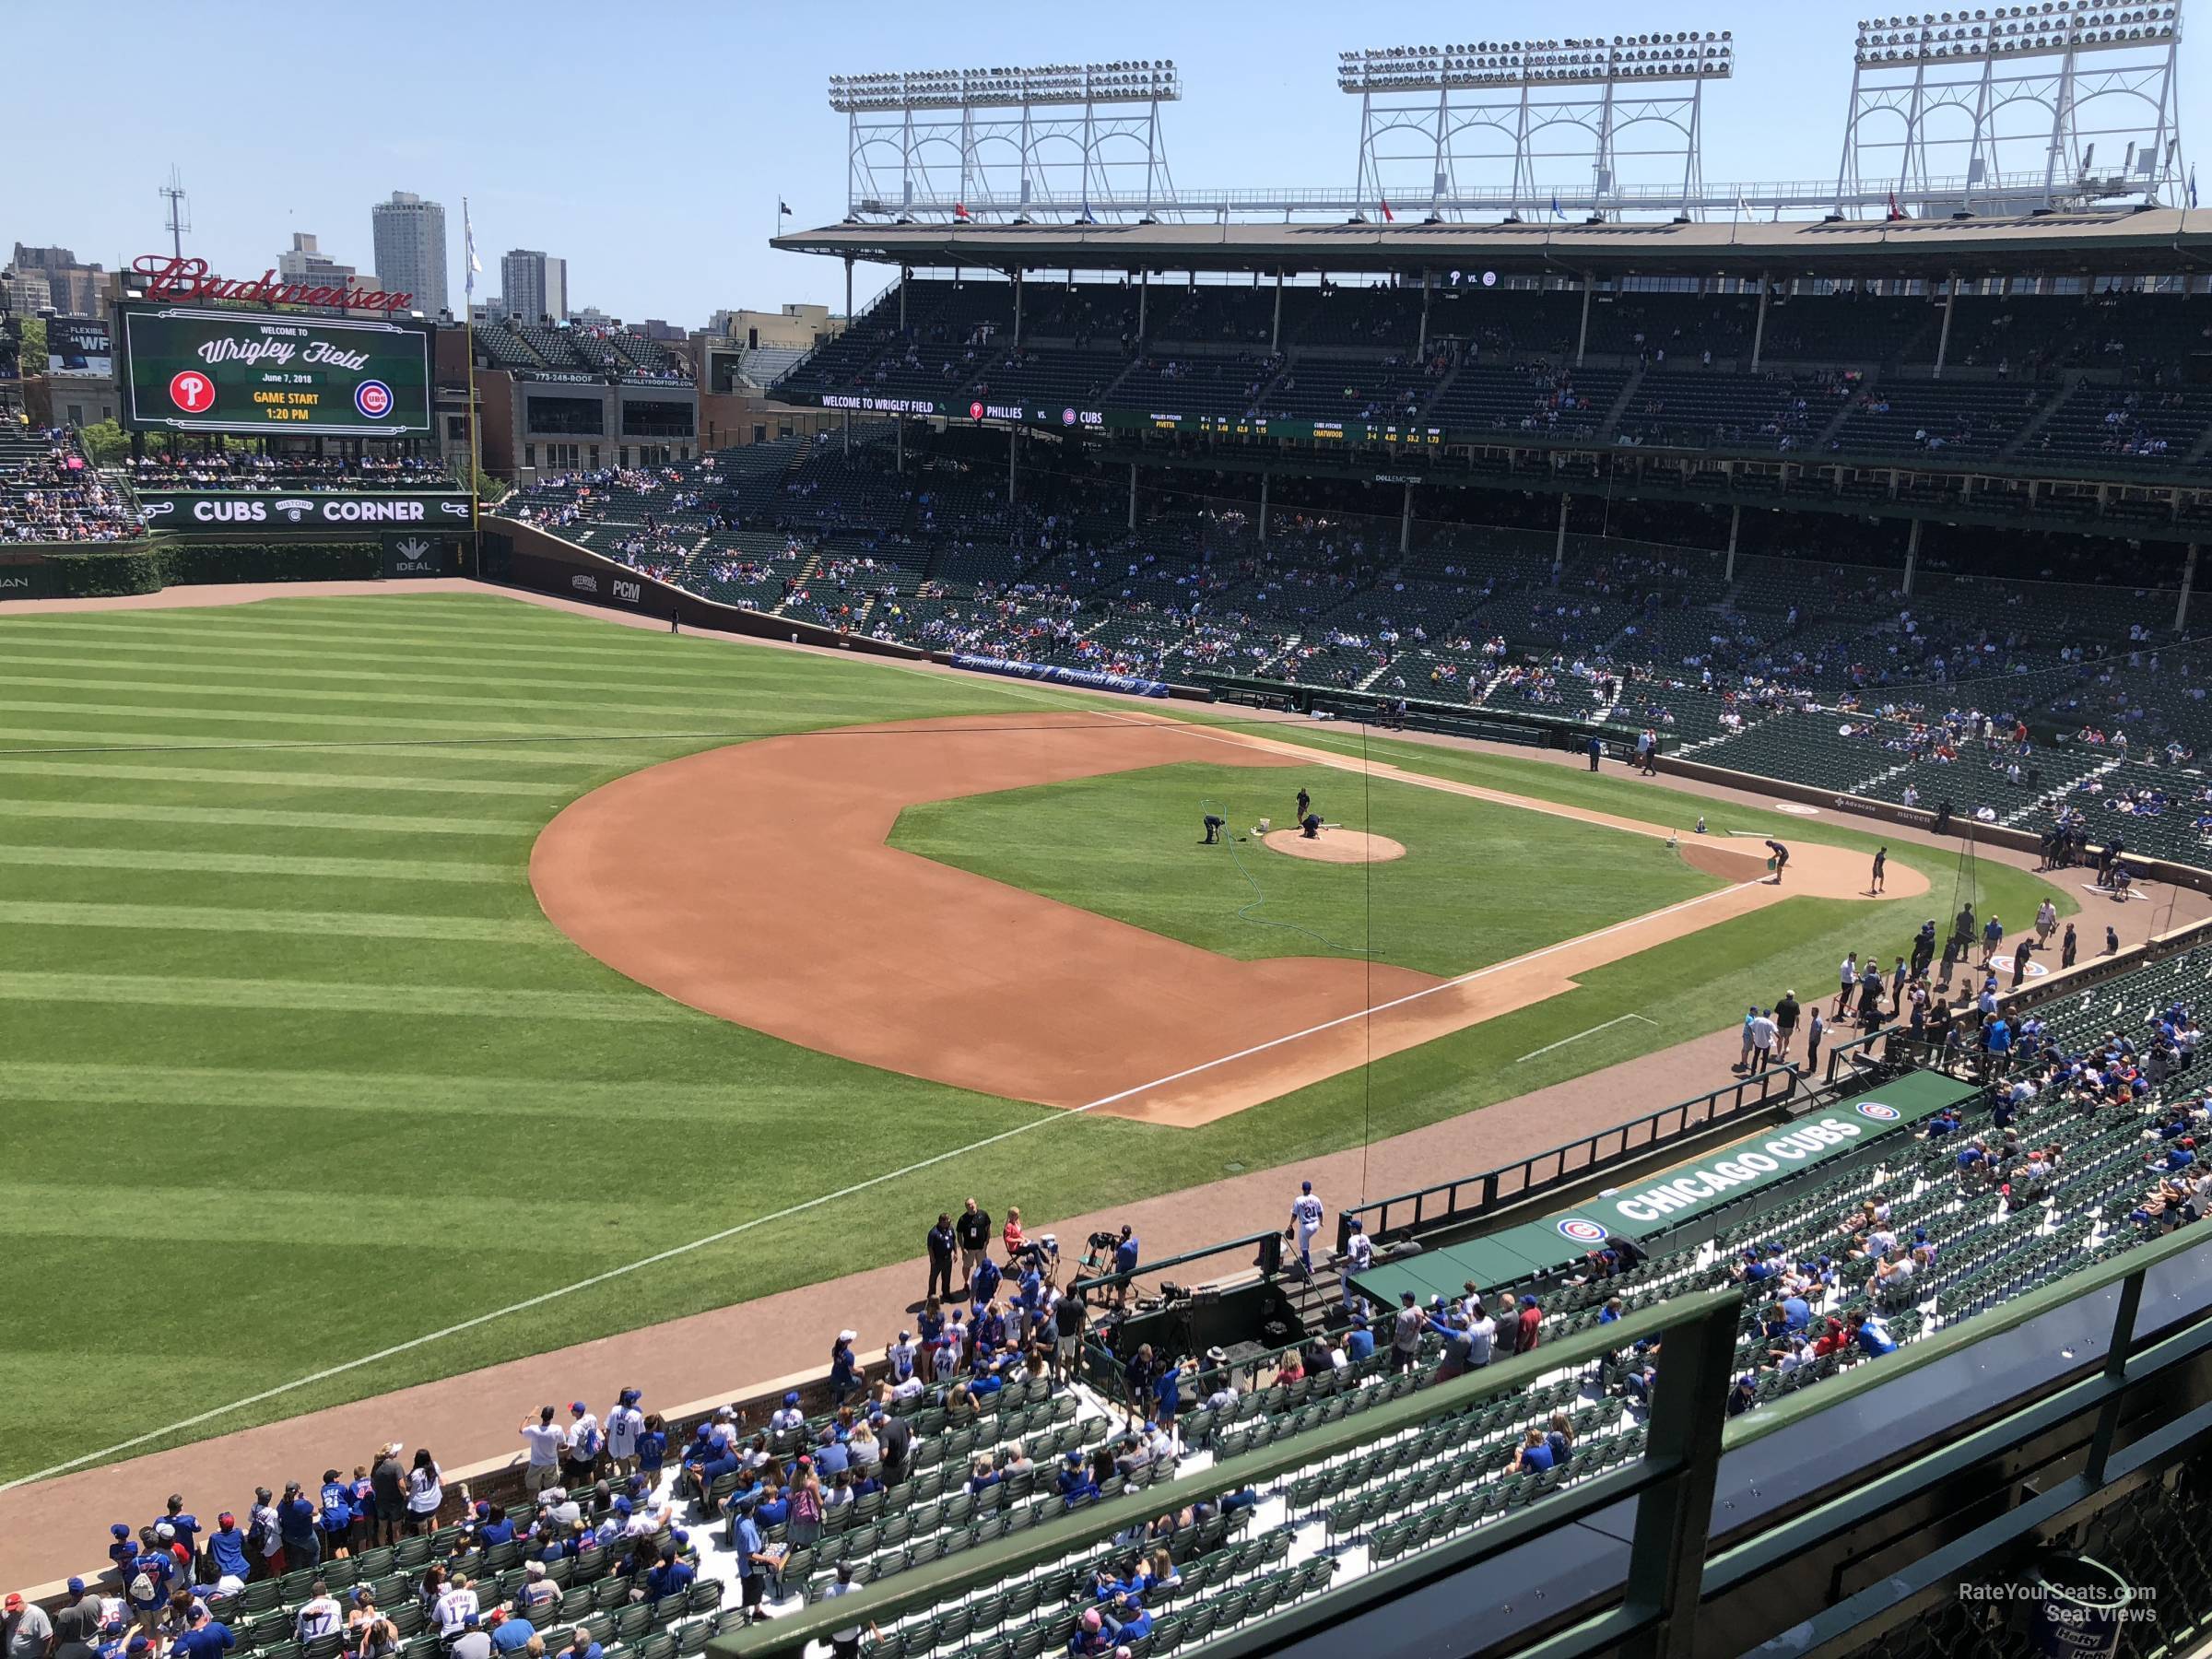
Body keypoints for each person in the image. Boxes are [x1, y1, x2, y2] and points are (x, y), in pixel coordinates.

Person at [822, 1563, 877, 1659]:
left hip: (837, 1636)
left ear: (839, 1575)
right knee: (853, 1655)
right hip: (853, 1634)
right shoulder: (858, 1588)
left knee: (840, 1656)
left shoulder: (829, 1591)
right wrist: (876, 1631)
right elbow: (866, 1612)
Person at [519, 1410, 564, 1494]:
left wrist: (528, 1417)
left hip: (536, 1463)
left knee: (533, 1490)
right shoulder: (557, 1429)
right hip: (551, 1463)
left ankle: (533, 1504)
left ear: (542, 1416)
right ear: (551, 1417)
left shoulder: (534, 1429)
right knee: (551, 1490)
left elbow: (521, 1430)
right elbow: (562, 1443)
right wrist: (555, 1450)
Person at [955, 1198, 992, 1289]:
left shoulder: (983, 1215)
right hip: (969, 1249)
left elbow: (988, 1228)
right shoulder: (963, 1219)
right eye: (969, 1205)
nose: (972, 1206)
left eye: (973, 1204)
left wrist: (986, 1243)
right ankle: (966, 1282)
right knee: (967, 1266)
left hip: (981, 1248)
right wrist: (962, 1249)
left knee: (981, 1265)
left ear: (976, 1204)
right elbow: (959, 1234)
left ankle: (978, 1281)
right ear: (966, 1207)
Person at [1287, 1181, 1324, 1270]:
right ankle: (1305, 1258)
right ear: (1310, 1189)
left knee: (1304, 1247)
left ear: (1302, 1189)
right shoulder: (1316, 1198)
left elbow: (1294, 1215)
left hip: (1306, 1227)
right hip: (1315, 1225)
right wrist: (1321, 1222)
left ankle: (1309, 1266)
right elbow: (1320, 1213)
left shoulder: (1298, 1200)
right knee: (1306, 1241)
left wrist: (1290, 1225)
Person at [405, 1450, 442, 1536]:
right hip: (434, 1502)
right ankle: (437, 1539)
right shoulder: (435, 1466)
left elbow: (408, 1486)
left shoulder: (415, 1474)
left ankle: (426, 1544)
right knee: (432, 1518)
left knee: (422, 1527)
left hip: (419, 1507)